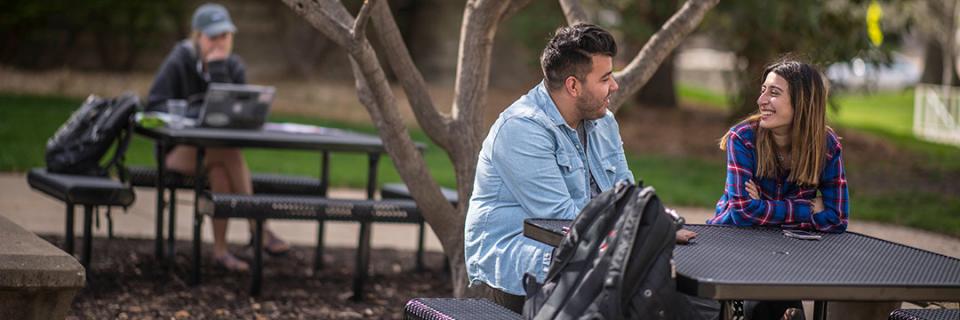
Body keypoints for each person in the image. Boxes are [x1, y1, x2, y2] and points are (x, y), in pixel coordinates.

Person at [464, 24, 634, 312]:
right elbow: (561, 220)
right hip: (518, 270)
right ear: (573, 85)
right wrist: (640, 229)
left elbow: (626, 193)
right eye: (605, 78)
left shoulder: (604, 122)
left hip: (588, 252)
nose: (615, 86)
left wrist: (652, 224)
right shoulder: (522, 128)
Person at [146, 3, 289, 272]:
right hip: (176, 152)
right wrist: (194, 112)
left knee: (221, 172)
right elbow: (153, 105)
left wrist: (219, 71)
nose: (219, 42)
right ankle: (258, 227)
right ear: (197, 36)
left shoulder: (233, 66)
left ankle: (221, 252)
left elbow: (236, 112)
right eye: (213, 36)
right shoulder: (180, 60)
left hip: (212, 154)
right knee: (230, 153)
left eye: (224, 35)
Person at [708, 59, 850, 319]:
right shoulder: (743, 138)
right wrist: (805, 208)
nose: (762, 100)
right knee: (765, 307)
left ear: (802, 101)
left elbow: (838, 217)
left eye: (773, 93)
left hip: (785, 255)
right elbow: (741, 212)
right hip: (732, 244)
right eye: (763, 90)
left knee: (784, 308)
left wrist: (763, 205)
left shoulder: (826, 145)